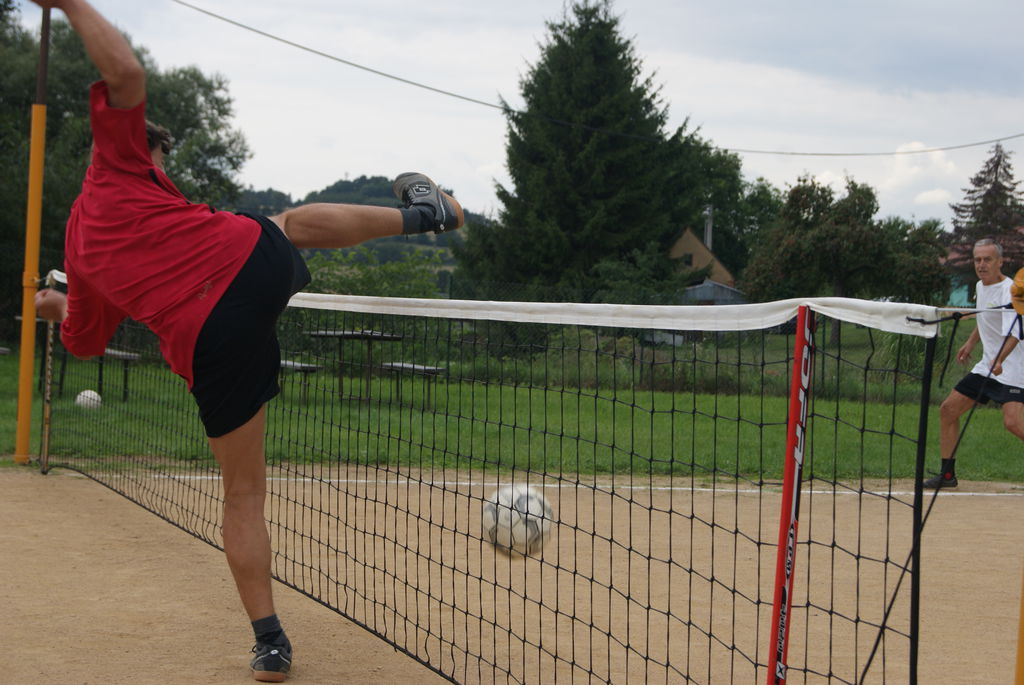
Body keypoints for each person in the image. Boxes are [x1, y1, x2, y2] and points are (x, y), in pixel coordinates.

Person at [30, 0, 463, 680]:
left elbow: (82, 340)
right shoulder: (116, 163)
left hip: (208, 346)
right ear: (132, 149)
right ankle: (424, 215)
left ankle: (270, 642)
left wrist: (55, 306)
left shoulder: (81, 252)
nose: (163, 166)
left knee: (242, 496)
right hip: (244, 269)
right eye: (159, 154)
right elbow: (127, 72)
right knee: (287, 223)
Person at [924, 238, 1024, 489]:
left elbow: (1015, 333)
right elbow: (985, 317)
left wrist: (999, 360)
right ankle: (947, 475)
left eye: (987, 259)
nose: (981, 264)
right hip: (987, 366)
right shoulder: (980, 286)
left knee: (1013, 423)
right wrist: (970, 343)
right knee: (948, 410)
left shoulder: (1011, 291)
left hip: (1013, 369)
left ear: (1000, 262)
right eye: (977, 259)